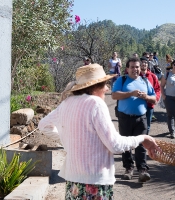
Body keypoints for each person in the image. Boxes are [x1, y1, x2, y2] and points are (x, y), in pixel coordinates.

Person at [38, 63, 160, 199]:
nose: (107, 88)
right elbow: (115, 145)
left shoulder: (67, 103)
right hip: (94, 181)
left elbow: (43, 125)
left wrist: (68, 138)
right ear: (94, 87)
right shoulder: (95, 103)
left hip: (73, 181)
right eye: (104, 84)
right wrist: (142, 139)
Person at [112, 57, 157, 182]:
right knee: (126, 144)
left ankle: (142, 170)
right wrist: (130, 93)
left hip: (141, 118)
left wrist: (146, 96)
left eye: (137, 67)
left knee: (141, 144)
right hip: (125, 118)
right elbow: (114, 95)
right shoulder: (122, 80)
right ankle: (129, 168)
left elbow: (154, 99)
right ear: (127, 69)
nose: (135, 69)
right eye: (132, 67)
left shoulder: (145, 81)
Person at [140, 57, 161, 134]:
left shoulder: (152, 76)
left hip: (149, 104)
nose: (143, 64)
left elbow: (157, 89)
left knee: (147, 125)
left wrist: (156, 98)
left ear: (147, 65)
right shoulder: (135, 76)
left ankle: (145, 142)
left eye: (145, 62)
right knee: (138, 124)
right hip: (138, 104)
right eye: (142, 62)